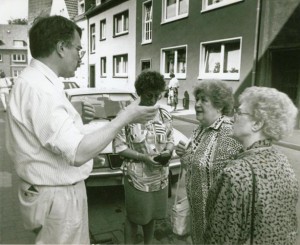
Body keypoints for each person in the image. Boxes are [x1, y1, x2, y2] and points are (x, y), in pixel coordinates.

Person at [5, 15, 158, 244]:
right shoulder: (40, 90)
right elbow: (77, 152)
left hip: (50, 193)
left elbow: (54, 137)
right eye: (78, 49)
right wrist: (125, 117)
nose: (81, 57)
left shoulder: (36, 82)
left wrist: (77, 120)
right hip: (57, 197)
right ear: (61, 48)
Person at [204, 87, 299, 245]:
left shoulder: (235, 174)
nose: (232, 117)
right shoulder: (283, 162)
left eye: (239, 112)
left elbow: (219, 238)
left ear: (257, 123)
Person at [175, 80, 243, 244]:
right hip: (197, 211)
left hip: (216, 216)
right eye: (197, 99)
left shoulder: (228, 132)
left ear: (219, 106)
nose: (197, 104)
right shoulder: (200, 128)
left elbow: (236, 181)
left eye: (203, 100)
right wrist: (184, 156)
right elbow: (195, 166)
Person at [113, 71, 175, 244]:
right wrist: (143, 157)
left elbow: (171, 139)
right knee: (134, 217)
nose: (154, 100)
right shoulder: (127, 114)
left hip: (160, 176)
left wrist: (168, 152)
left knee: (152, 215)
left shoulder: (164, 113)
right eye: (149, 95)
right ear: (140, 92)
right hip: (137, 177)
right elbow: (120, 148)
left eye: (158, 95)